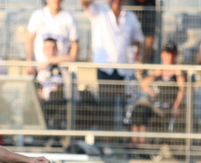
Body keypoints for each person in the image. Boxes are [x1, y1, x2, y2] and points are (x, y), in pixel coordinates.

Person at [81, 0, 144, 133]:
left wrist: (138, 53)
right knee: (106, 106)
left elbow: (138, 40)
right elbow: (84, 2)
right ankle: (106, 139)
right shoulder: (99, 12)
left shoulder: (130, 17)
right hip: (105, 68)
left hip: (124, 70)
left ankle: (121, 138)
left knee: (124, 106)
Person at [130, 41, 186, 144]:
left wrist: (176, 106)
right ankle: (136, 142)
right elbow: (144, 83)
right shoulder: (160, 70)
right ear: (162, 54)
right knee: (139, 109)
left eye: (172, 54)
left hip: (168, 106)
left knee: (145, 111)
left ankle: (142, 145)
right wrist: (152, 92)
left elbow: (182, 89)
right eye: (167, 53)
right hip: (156, 103)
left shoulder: (178, 71)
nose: (169, 56)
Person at [25, 0, 79, 75]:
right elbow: (29, 40)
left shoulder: (69, 17)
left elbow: (74, 50)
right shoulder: (38, 15)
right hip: (40, 70)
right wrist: (29, 62)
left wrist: (52, 61)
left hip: (61, 71)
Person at [35, 38, 71, 130]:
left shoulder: (64, 69)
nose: (51, 51)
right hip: (44, 104)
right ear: (43, 50)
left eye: (53, 48)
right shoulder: (38, 71)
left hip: (60, 104)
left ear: (57, 50)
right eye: (48, 48)